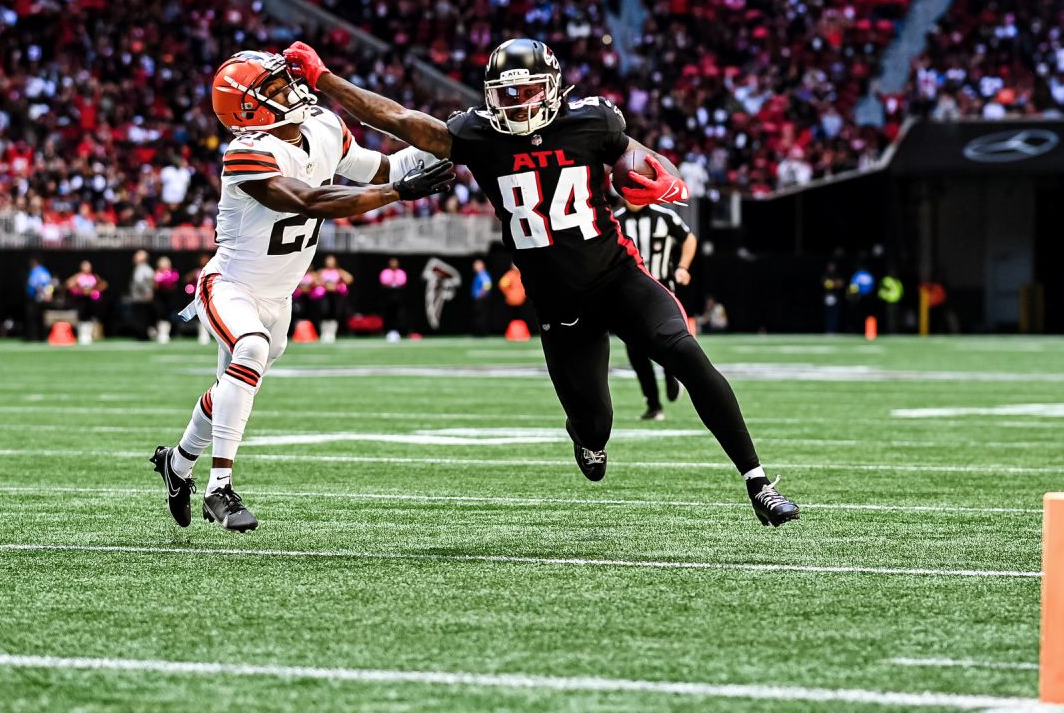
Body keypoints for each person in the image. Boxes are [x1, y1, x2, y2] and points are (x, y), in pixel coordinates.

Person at [289, 38, 798, 525]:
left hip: (618, 278)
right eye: (505, 93)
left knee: (684, 352)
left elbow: (646, 159)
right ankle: (586, 436)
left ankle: (758, 483)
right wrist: (325, 78)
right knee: (595, 424)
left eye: (527, 89)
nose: (516, 102)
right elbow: (397, 119)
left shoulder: (593, 120)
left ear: (553, 86)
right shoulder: (477, 134)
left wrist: (660, 176)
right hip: (559, 305)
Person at [149, 50, 454, 533]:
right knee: (249, 351)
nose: (288, 90)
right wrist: (399, 194)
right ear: (245, 108)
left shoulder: (323, 126)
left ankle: (179, 463)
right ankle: (219, 488)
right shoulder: (246, 152)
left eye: (283, 81)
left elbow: (382, 168)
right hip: (230, 285)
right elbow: (311, 200)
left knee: (234, 387)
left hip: (279, 297)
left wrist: (449, 140)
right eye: (271, 89)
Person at [614, 198, 698, 421]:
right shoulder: (616, 220)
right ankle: (653, 404)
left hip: (662, 290)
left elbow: (689, 239)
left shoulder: (665, 215)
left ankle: (672, 375)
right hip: (629, 293)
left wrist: (682, 267)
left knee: (667, 341)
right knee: (635, 352)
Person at [65, 260, 106, 345]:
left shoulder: (94, 276)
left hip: (90, 299)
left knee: (89, 317)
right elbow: (68, 284)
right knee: (82, 316)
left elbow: (104, 284)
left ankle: (88, 335)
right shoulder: (79, 276)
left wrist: (95, 290)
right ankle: (82, 335)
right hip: (81, 299)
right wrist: (79, 290)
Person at [317, 254, 354, 342]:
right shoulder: (322, 271)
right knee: (324, 313)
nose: (329, 262)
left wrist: (338, 283)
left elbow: (350, 279)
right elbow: (314, 280)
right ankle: (324, 333)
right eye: (328, 260)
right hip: (325, 295)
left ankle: (332, 334)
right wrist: (324, 284)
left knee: (334, 314)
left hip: (335, 295)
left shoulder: (338, 271)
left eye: (331, 260)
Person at [184, 254, 212, 344]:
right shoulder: (197, 271)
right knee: (199, 316)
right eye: (202, 260)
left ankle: (210, 334)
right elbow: (186, 279)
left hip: (210, 296)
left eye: (206, 260)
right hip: (199, 297)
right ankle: (202, 334)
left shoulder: (212, 270)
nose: (204, 262)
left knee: (209, 315)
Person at [379, 257, 408, 340]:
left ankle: (399, 331)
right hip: (388, 296)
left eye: (395, 263)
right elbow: (384, 282)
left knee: (399, 315)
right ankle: (387, 331)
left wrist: (394, 283)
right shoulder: (385, 272)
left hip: (398, 296)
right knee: (388, 314)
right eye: (392, 263)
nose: (393, 265)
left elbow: (402, 282)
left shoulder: (401, 272)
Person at [25, 257, 54, 341]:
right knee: (41, 317)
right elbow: (50, 284)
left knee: (33, 318)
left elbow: (36, 284)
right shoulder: (45, 271)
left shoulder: (35, 271)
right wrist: (48, 294)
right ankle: (42, 337)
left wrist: (44, 294)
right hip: (43, 298)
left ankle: (33, 337)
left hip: (35, 298)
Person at [153, 256, 180, 343]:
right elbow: (155, 285)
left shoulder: (173, 273)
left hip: (169, 297)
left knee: (168, 315)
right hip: (159, 297)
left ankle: (166, 334)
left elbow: (173, 284)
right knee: (160, 314)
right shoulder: (157, 273)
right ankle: (161, 333)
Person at [129, 249, 155, 341]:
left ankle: (143, 335)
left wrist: (146, 292)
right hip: (141, 297)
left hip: (141, 298)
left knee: (141, 318)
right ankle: (143, 334)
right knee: (143, 317)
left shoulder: (143, 268)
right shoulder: (144, 268)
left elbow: (139, 281)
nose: (134, 258)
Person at [470, 258, 493, 336]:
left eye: (476, 265)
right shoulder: (479, 274)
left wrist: (480, 295)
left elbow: (487, 286)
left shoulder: (482, 274)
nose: (474, 266)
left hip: (481, 299)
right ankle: (480, 332)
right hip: (480, 298)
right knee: (479, 316)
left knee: (481, 316)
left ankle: (481, 333)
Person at [821, 261, 844, 334]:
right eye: (830, 266)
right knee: (828, 314)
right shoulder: (826, 274)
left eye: (832, 266)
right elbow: (826, 284)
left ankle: (833, 330)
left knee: (835, 315)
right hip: (828, 296)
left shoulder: (837, 275)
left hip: (835, 296)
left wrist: (833, 284)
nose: (831, 268)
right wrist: (834, 283)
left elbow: (840, 284)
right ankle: (828, 330)